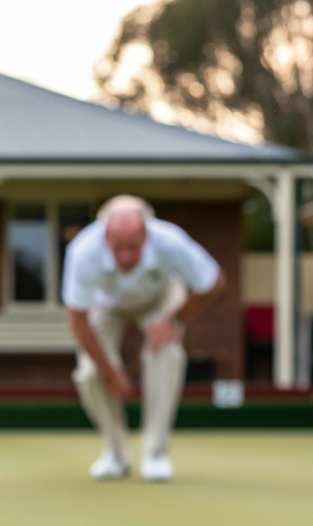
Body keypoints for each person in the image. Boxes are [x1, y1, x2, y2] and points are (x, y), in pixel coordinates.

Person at [61, 196, 226, 482]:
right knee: (89, 374)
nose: (125, 256)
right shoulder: (83, 250)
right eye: (117, 248)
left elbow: (212, 281)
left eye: (133, 247)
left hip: (158, 300)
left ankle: (156, 454)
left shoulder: (170, 242)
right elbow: (77, 321)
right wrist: (110, 372)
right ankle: (115, 453)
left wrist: (175, 321)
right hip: (106, 306)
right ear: (105, 238)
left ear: (146, 235)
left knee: (165, 354)